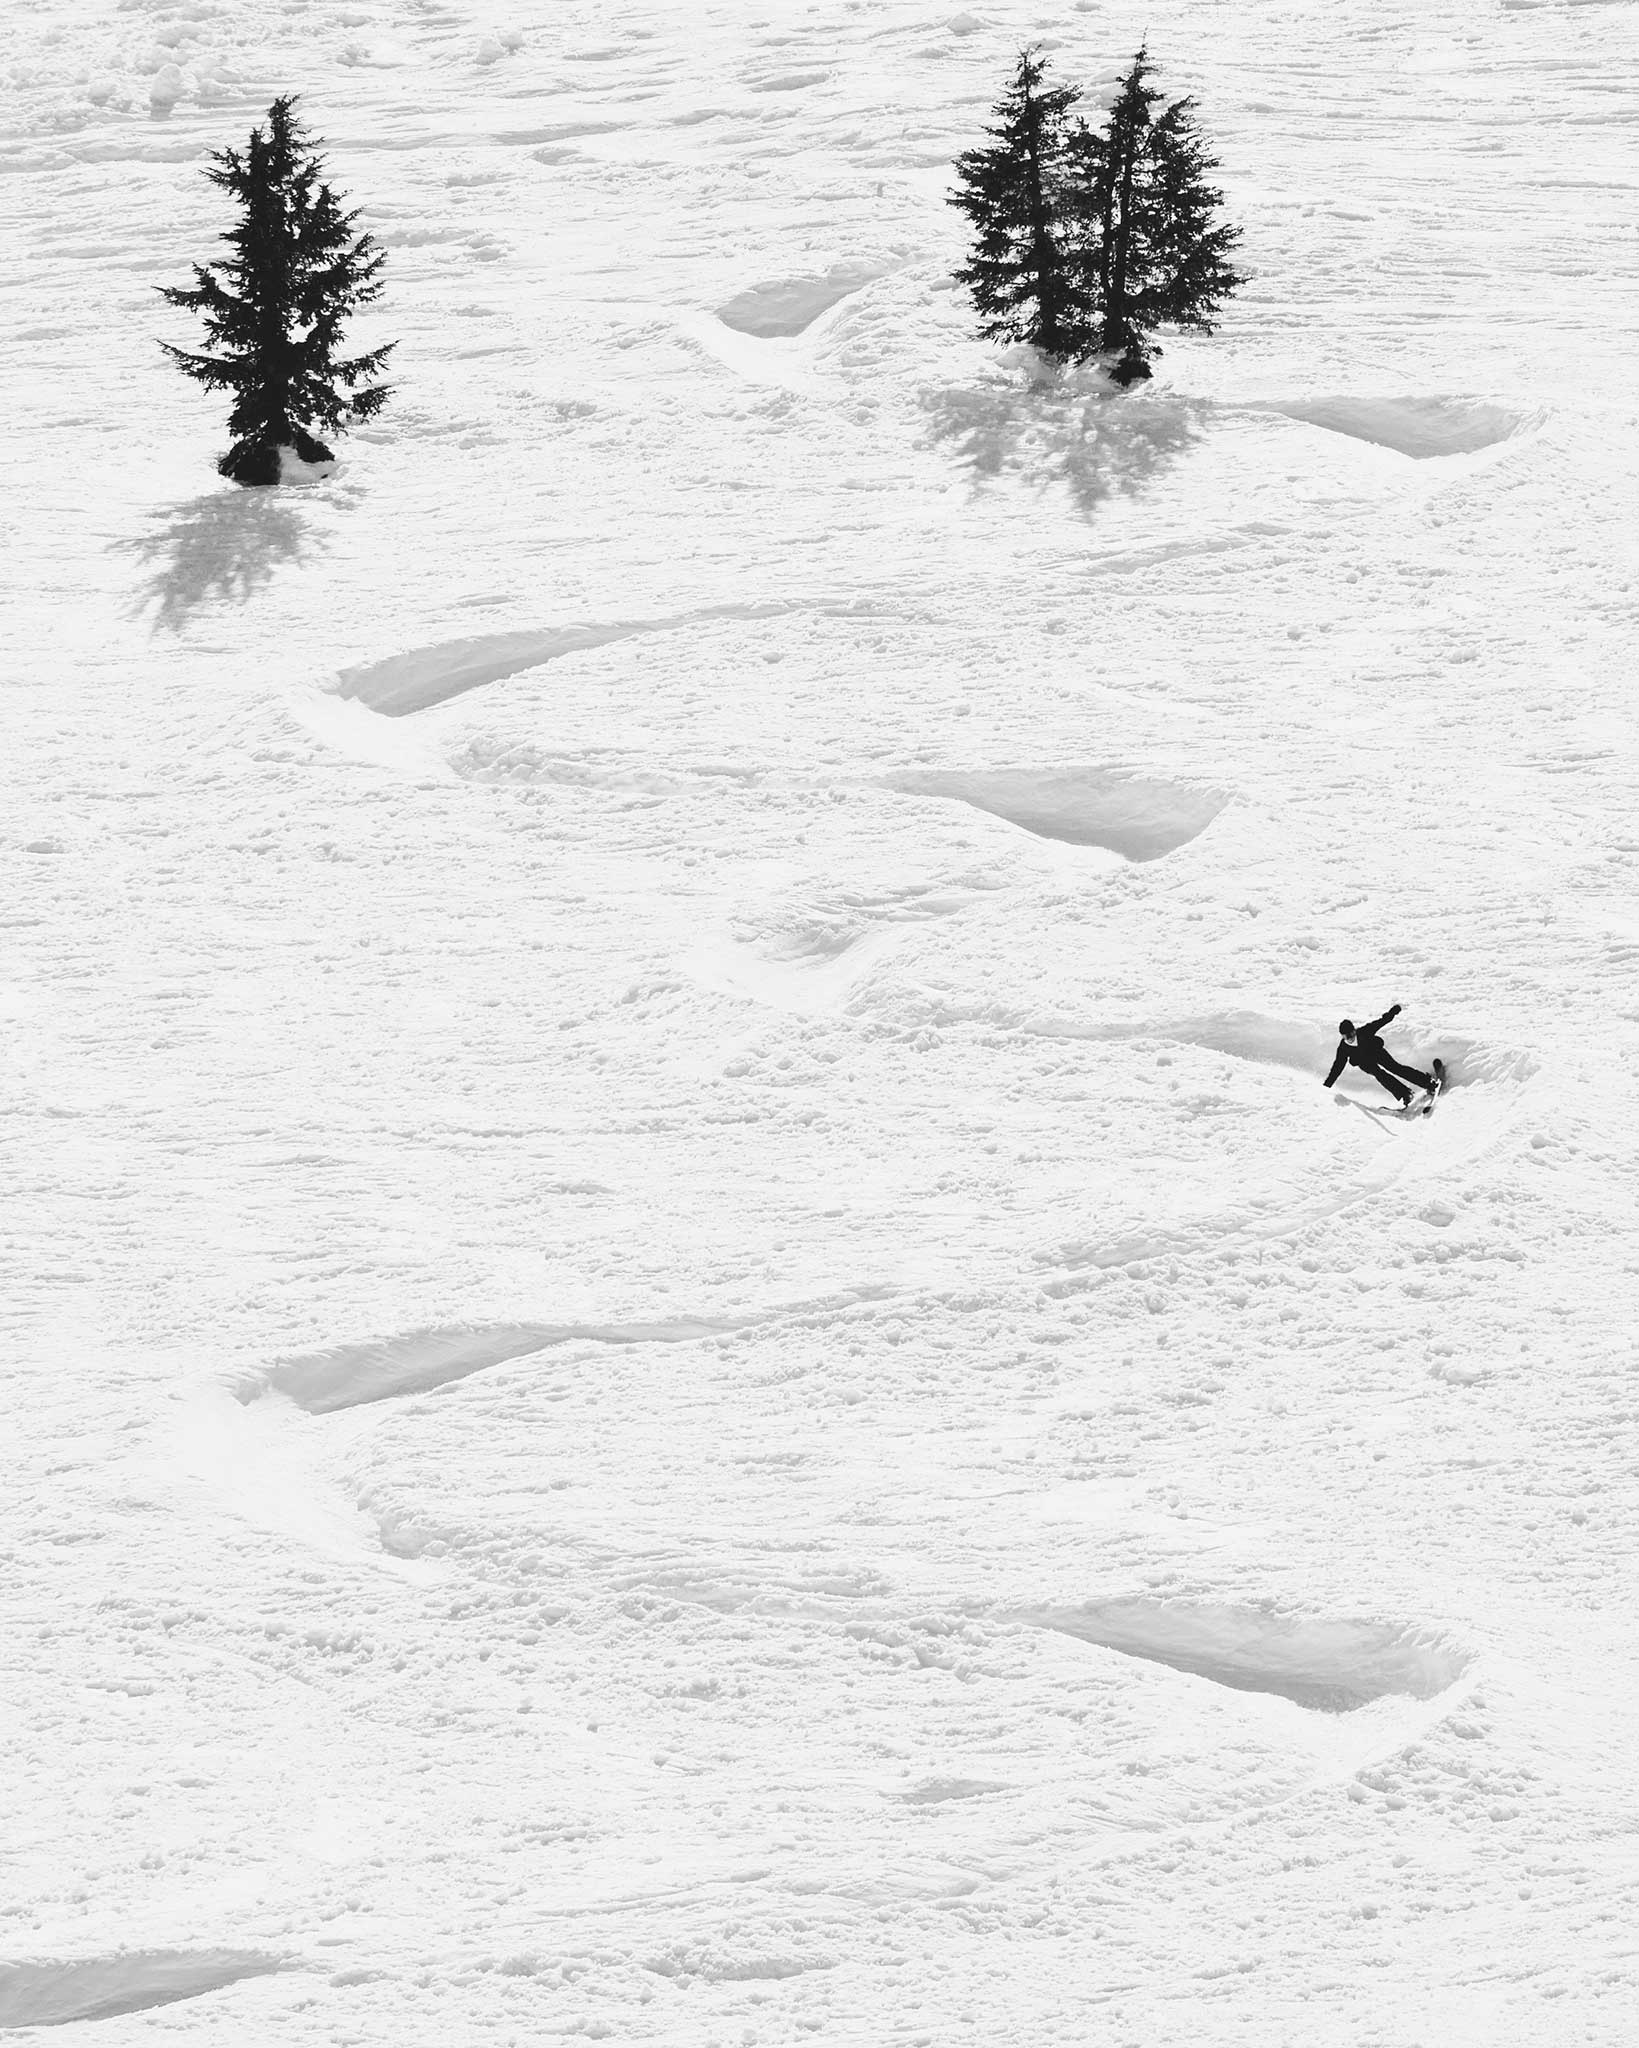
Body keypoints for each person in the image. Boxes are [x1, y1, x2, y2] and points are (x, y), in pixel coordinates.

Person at [1322, 1003, 1436, 1109]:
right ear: (1342, 1036)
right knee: (1380, 1075)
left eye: (1351, 1034)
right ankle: (1405, 1094)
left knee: (1395, 1068)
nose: (1350, 1038)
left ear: (1355, 1031)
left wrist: (1392, 1012)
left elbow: (1381, 1021)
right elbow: (1337, 1067)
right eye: (1346, 1037)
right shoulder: (1343, 1048)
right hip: (1365, 1062)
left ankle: (1427, 1081)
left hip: (1376, 1052)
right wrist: (1327, 1085)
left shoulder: (1364, 1031)